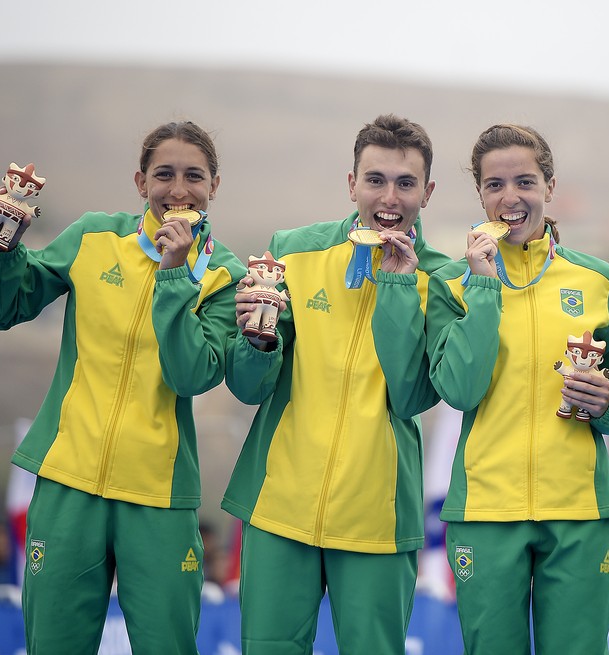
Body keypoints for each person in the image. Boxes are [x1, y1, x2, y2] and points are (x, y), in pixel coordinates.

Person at [0, 120, 247, 653]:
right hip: (68, 479)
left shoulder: (225, 275)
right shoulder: (94, 236)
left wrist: (173, 275)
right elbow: (5, 307)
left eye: (194, 176)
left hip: (159, 494)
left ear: (215, 185)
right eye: (163, 174)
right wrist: (1, 249)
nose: (178, 190)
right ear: (140, 181)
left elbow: (193, 374)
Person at [222, 114, 450, 654]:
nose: (388, 197)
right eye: (375, 180)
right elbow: (249, 386)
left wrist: (396, 282)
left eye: (405, 182)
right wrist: (255, 343)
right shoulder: (293, 252)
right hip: (279, 506)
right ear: (352, 183)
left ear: (428, 191)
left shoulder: (444, 277)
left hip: (377, 519)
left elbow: (415, 394)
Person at [425, 124, 609, 654]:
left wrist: (607, 401)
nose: (510, 197)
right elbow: (458, 389)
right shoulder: (452, 283)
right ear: (480, 193)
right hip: (485, 512)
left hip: (579, 510)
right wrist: (482, 284)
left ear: (549, 185)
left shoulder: (595, 279)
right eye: (494, 184)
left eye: (524, 181)